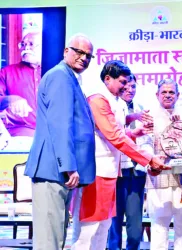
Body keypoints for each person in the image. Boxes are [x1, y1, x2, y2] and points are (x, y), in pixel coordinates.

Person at [71, 61, 168, 250]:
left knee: (103, 227)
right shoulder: (97, 100)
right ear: (108, 79)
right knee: (88, 230)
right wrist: (148, 159)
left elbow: (116, 133)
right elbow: (114, 136)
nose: (125, 86)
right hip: (95, 172)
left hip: (110, 174)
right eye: (122, 82)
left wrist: (134, 134)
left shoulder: (113, 100)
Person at [24, 33, 96, 250]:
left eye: (88, 56)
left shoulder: (69, 77)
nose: (83, 58)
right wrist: (69, 166)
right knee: (49, 242)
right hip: (54, 170)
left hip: (58, 172)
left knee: (56, 238)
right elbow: (60, 124)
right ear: (66, 51)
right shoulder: (60, 77)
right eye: (79, 52)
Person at [108, 74, 153, 250]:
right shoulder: (111, 109)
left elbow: (148, 139)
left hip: (137, 172)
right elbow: (113, 136)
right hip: (117, 171)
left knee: (135, 229)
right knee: (114, 224)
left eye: (133, 86)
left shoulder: (143, 110)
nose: (129, 90)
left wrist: (147, 158)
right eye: (125, 86)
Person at [145, 78, 182, 250]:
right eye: (164, 92)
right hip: (159, 177)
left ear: (178, 95)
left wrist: (179, 128)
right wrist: (152, 160)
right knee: (159, 224)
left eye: (172, 92)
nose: (168, 95)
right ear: (157, 95)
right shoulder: (149, 118)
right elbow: (144, 143)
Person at [0, 31, 42, 142]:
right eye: (23, 44)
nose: (25, 48)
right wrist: (10, 100)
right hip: (20, 134)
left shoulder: (55, 72)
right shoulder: (6, 73)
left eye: (31, 44)